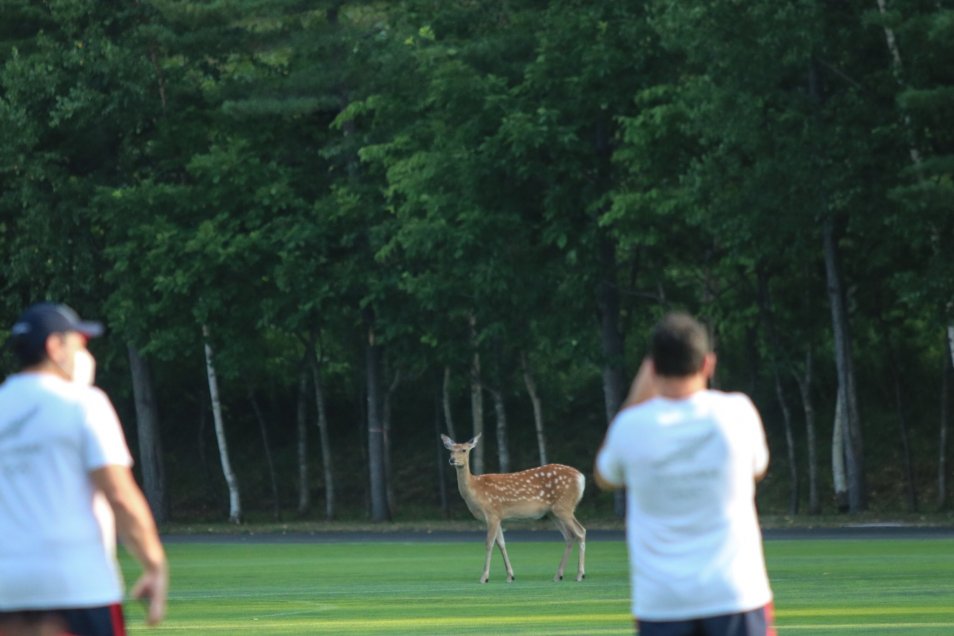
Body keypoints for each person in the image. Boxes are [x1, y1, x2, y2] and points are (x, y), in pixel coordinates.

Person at [595, 312, 775, 636]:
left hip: (662, 602)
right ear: (708, 363)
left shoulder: (631, 427)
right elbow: (757, 470)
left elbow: (605, 475)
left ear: (652, 368)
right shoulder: (737, 412)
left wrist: (637, 393)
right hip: (735, 593)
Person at [0, 302, 168, 636]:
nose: (85, 354)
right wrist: (154, 564)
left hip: (7, 586)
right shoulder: (84, 403)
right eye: (80, 343)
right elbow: (119, 494)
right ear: (55, 347)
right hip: (77, 582)